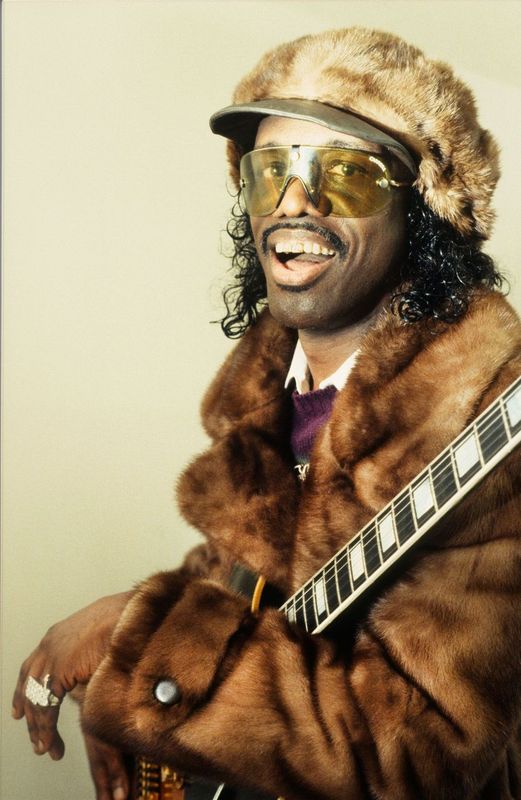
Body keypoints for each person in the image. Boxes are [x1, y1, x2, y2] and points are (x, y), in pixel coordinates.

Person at [12, 27, 521, 800]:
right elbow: (244, 595)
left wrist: (142, 640)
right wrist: (136, 696)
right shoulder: (266, 401)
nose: (292, 203)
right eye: (269, 171)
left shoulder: (490, 421)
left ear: (420, 210)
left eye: (343, 175)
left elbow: (415, 753)